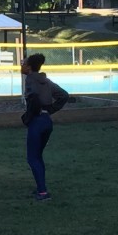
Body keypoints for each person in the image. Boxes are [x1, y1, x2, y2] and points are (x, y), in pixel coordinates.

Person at [21, 53, 69, 201]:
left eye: (23, 63)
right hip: (47, 120)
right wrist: (51, 109)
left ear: (29, 67)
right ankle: (40, 187)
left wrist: (31, 113)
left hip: (37, 122)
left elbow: (34, 96)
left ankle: (42, 192)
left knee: (32, 158)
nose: (21, 65)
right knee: (38, 156)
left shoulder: (30, 79)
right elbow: (64, 95)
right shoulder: (46, 81)